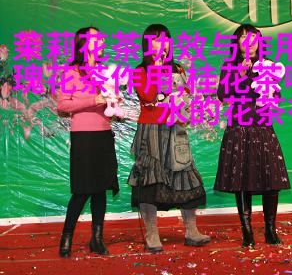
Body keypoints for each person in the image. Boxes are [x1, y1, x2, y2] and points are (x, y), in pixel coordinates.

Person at [127, 24, 211, 253]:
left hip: (176, 129)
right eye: (156, 40)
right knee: (151, 181)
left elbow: (187, 93)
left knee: (185, 176)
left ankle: (191, 231)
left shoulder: (177, 68)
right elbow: (147, 96)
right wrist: (157, 69)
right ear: (148, 44)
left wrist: (183, 100)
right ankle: (152, 234)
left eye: (165, 39)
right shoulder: (140, 71)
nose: (162, 44)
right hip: (151, 131)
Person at [214, 24, 290, 247]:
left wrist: (271, 93)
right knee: (242, 180)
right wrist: (240, 74)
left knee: (271, 179)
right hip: (240, 127)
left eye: (254, 37)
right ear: (236, 42)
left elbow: (276, 94)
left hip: (263, 126)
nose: (249, 42)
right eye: (244, 37)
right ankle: (247, 232)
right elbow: (223, 95)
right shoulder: (230, 66)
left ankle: (270, 229)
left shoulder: (268, 64)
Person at [57, 26, 119, 257]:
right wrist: (94, 99)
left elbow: (108, 101)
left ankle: (97, 238)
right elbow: (62, 106)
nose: (102, 42)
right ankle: (66, 237)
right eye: (97, 38)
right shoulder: (71, 72)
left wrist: (114, 100)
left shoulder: (104, 71)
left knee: (100, 189)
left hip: (103, 133)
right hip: (83, 135)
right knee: (82, 190)